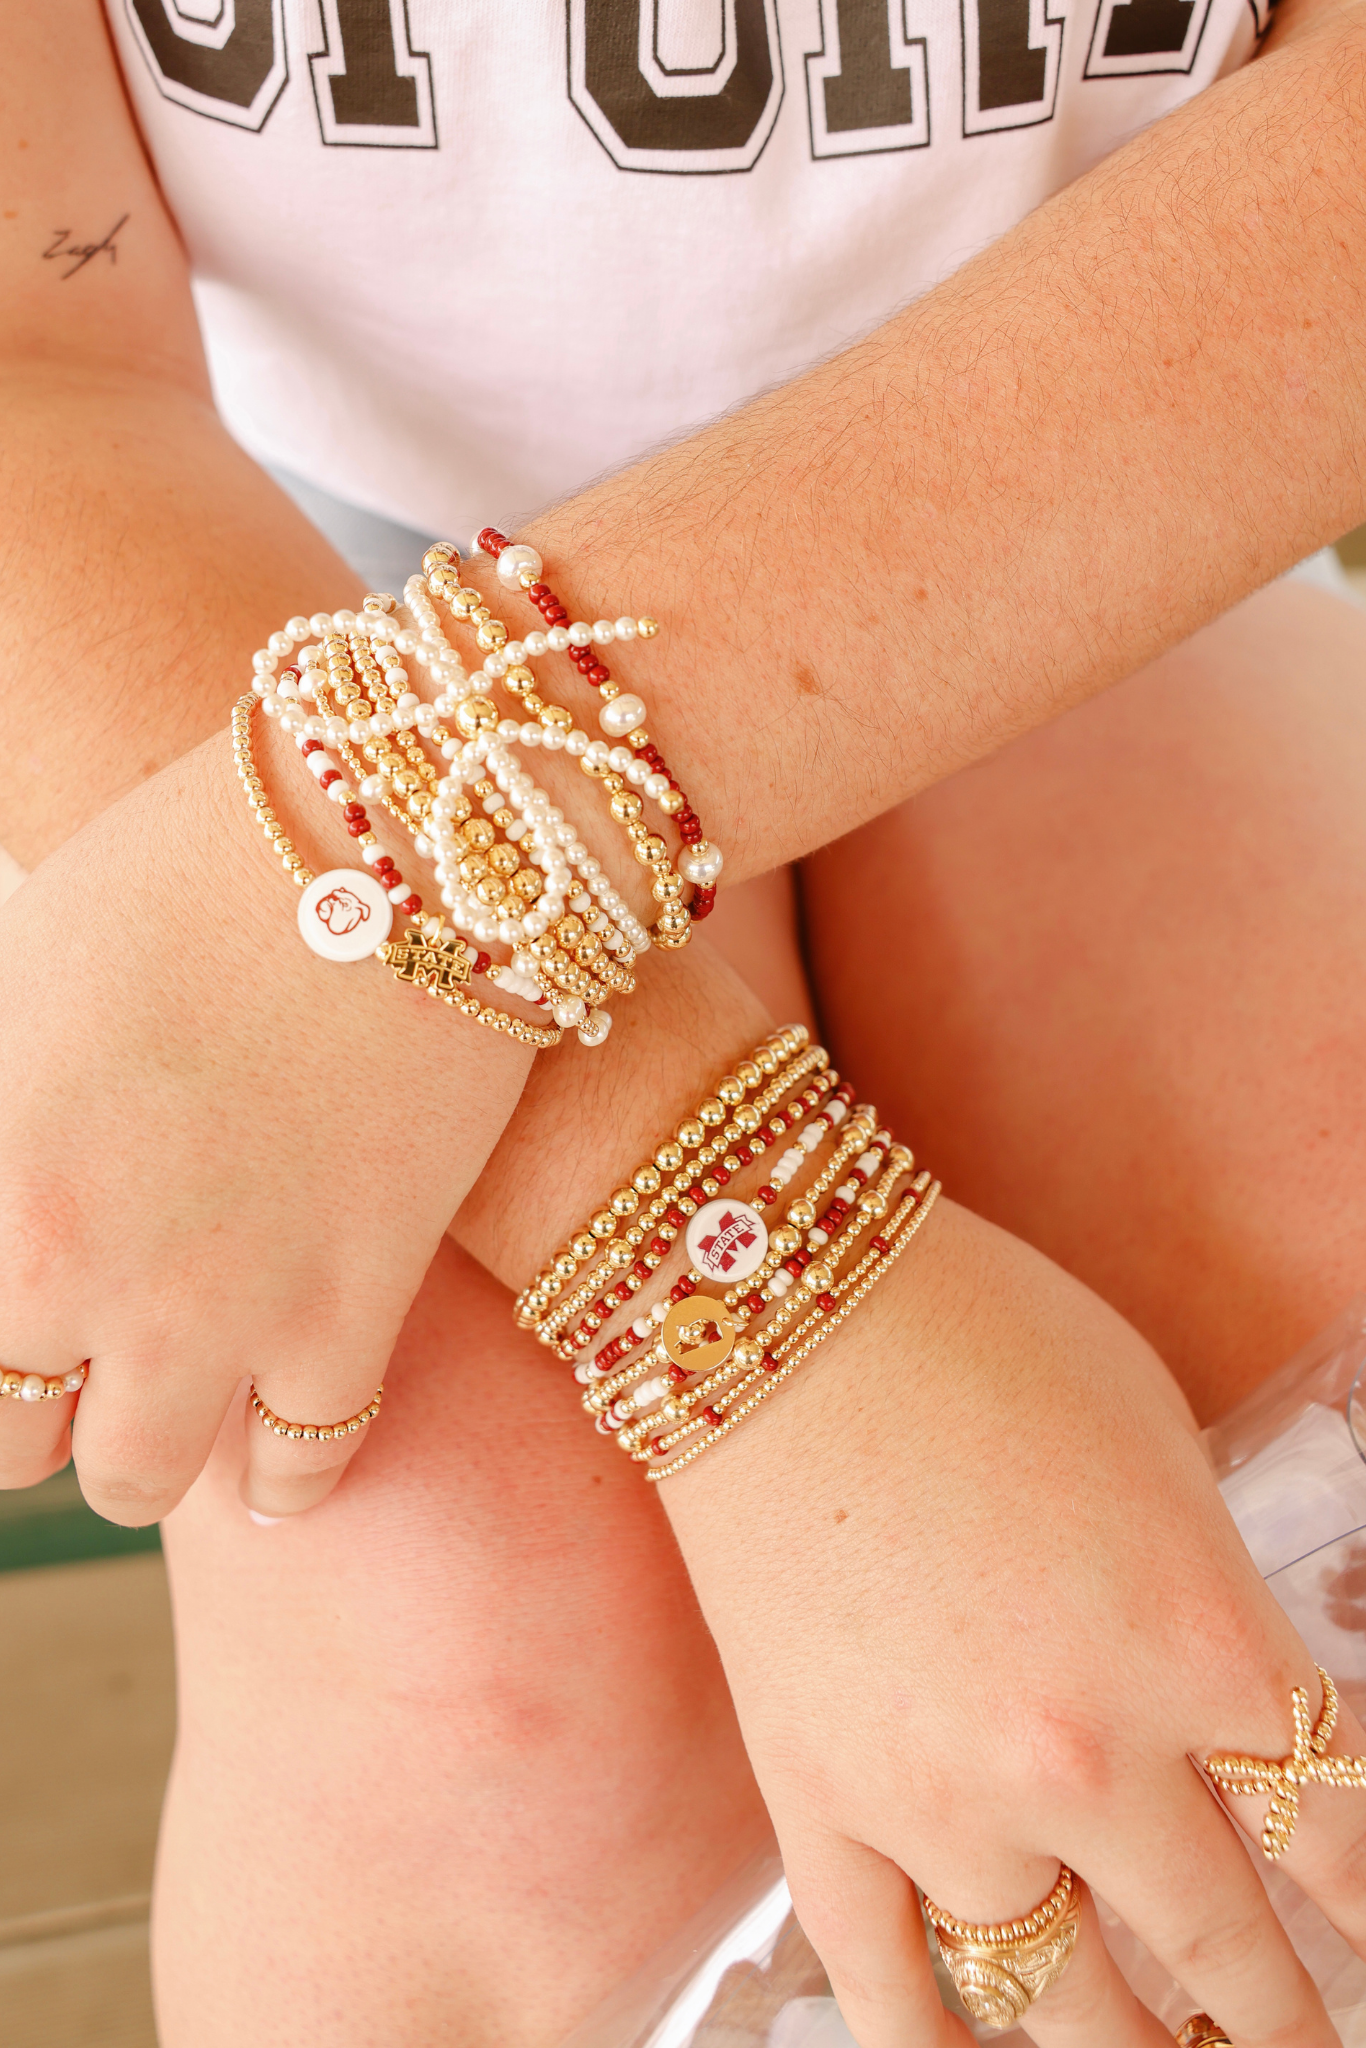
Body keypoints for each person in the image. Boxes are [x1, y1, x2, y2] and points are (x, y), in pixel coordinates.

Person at [3, 0, 1366, 2042]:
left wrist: (450, 821)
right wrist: (760, 1305)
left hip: (1122, 463)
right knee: (473, 1643)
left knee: (1308, 1363)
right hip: (221, 549)